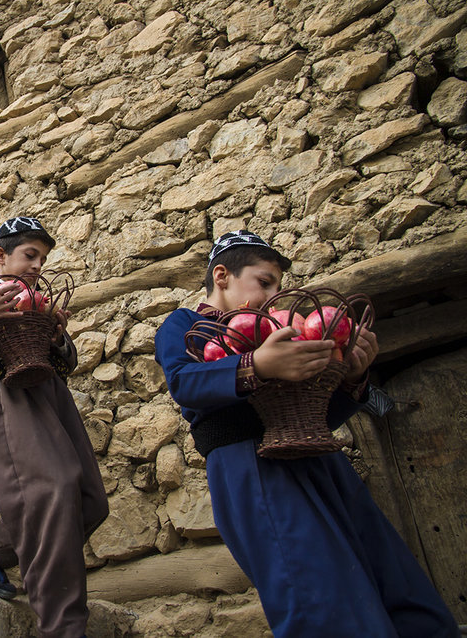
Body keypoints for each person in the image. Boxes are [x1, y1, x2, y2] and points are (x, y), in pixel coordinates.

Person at [153, 230, 458, 638]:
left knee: (389, 574)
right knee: (317, 596)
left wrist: (353, 378)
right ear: (222, 276)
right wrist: (256, 365)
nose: (272, 295)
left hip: (323, 463)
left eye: (278, 286)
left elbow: (320, 414)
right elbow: (183, 382)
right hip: (251, 468)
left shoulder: (280, 328)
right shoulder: (185, 325)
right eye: (264, 282)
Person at [0, 217, 108, 638]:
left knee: (90, 501)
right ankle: (61, 627)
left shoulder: (40, 298)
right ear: (1, 256)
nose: (36, 265)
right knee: (51, 491)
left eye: (43, 258)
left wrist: (56, 334)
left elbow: (68, 362)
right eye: (28, 255)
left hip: (55, 399)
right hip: (11, 396)